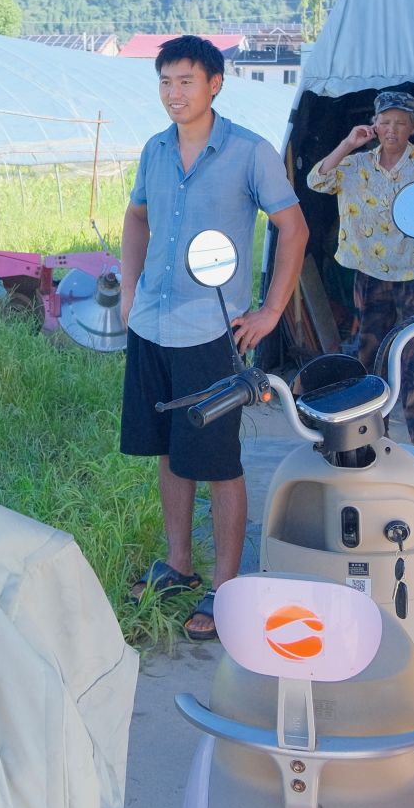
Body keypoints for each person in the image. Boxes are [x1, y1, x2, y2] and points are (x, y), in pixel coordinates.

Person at [119, 34, 308, 643]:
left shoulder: (250, 152)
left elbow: (293, 228)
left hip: (211, 330)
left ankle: (227, 587)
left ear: (215, 84)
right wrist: (129, 291)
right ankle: (178, 563)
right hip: (152, 325)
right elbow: (137, 217)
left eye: (186, 81)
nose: (174, 94)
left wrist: (271, 310)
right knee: (170, 450)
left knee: (220, 462)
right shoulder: (155, 150)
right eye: (165, 82)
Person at [306, 89, 414, 445]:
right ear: (374, 125)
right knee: (371, 354)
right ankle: (375, 439)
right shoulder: (356, 164)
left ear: (412, 127)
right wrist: (348, 143)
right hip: (370, 273)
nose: (392, 129)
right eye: (385, 122)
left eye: (401, 123)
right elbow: (317, 180)